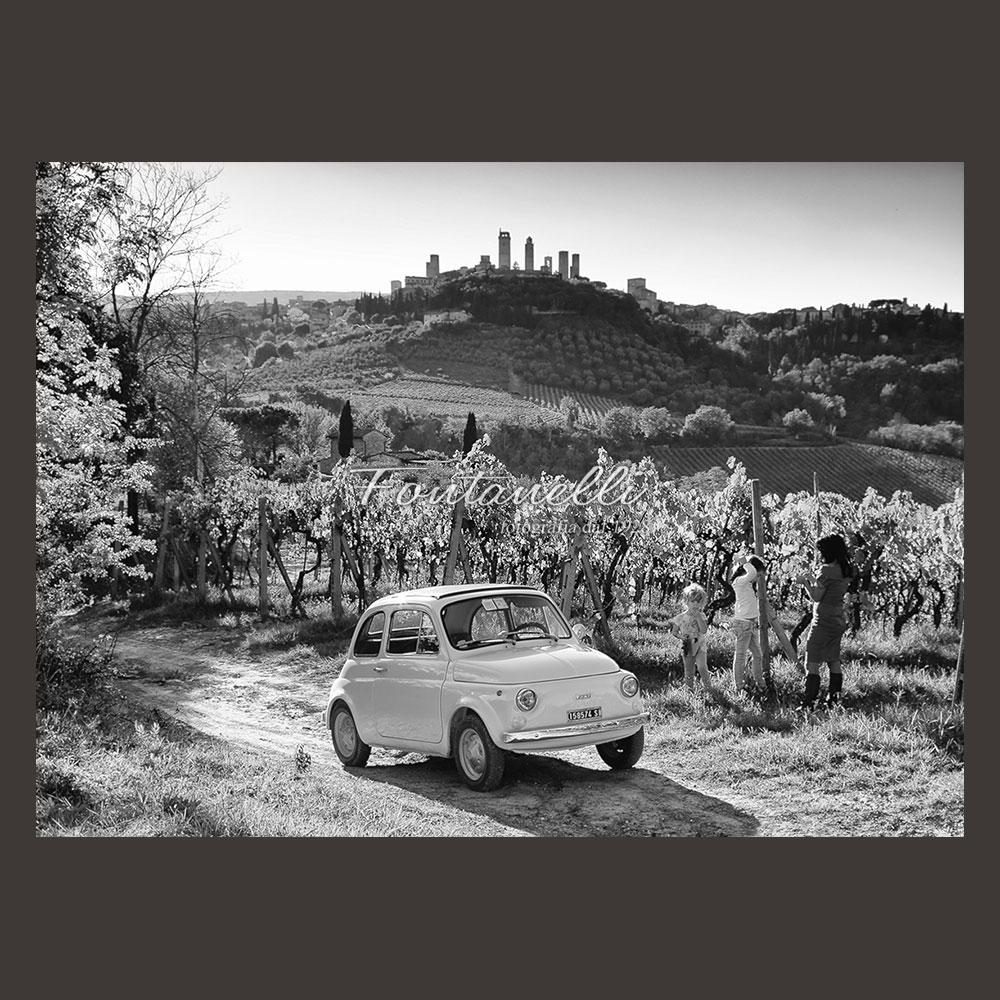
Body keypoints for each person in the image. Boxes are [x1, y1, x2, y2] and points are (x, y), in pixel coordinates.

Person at [796, 534, 855, 708]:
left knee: (811, 662)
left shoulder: (826, 570)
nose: (820, 554)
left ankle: (808, 703)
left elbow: (816, 596)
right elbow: (829, 587)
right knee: (833, 659)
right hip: (838, 620)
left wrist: (804, 582)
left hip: (822, 622)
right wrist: (814, 579)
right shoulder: (846, 570)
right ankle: (833, 700)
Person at [667, 583, 715, 695]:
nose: (695, 604)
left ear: (701, 603)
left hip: (700, 645)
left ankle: (708, 688)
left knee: (702, 666)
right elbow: (674, 631)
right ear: (686, 601)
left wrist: (698, 617)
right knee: (689, 670)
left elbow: (703, 630)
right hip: (688, 646)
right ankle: (689, 690)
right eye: (692, 601)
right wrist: (681, 636)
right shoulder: (680, 617)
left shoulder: (701, 615)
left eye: (698, 601)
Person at [730, 554, 765, 692]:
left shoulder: (747, 584)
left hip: (750, 625)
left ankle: (760, 683)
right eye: (759, 575)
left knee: (758, 655)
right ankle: (739, 686)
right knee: (740, 656)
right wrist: (745, 563)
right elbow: (752, 573)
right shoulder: (740, 581)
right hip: (743, 625)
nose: (758, 578)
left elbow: (752, 574)